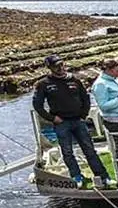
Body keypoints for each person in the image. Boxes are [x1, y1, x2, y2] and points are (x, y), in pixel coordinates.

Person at [33, 55, 113, 189]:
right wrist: (52, 118)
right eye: (56, 66)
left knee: (89, 150)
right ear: (50, 68)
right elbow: (38, 105)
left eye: (61, 64)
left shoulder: (74, 79)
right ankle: (76, 176)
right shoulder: (43, 84)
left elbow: (85, 98)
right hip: (61, 122)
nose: (60, 68)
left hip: (78, 120)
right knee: (67, 152)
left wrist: (84, 115)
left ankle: (103, 176)